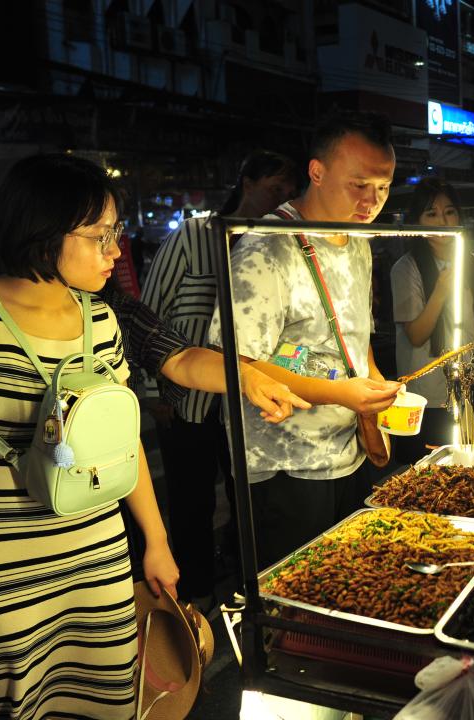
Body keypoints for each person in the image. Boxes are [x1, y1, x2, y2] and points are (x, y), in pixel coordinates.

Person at [0, 154, 180, 719]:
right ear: (43, 231)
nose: (116, 251)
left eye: (116, 233)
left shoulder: (101, 320)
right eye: (100, 236)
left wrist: (155, 541)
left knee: (106, 703)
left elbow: (124, 441)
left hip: (100, 560)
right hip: (1, 575)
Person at [208, 112, 401, 569]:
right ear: (317, 172)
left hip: (348, 452)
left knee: (349, 582)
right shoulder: (267, 245)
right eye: (359, 185)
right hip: (284, 465)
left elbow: (354, 333)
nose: (371, 201)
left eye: (383, 187)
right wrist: (341, 393)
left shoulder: (357, 240)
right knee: (291, 592)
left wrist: (374, 388)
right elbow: (232, 363)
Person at [140, 149, 298, 603]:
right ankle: (194, 595)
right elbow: (151, 310)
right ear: (247, 183)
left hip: (244, 401)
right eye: (274, 189)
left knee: (244, 494)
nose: (280, 200)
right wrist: (154, 391)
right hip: (185, 395)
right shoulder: (195, 234)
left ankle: (245, 581)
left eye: (288, 193)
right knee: (192, 499)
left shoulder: (277, 244)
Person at [390, 179, 474, 462]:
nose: (443, 221)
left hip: (467, 389)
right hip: (426, 398)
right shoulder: (406, 268)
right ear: (417, 222)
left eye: (449, 212)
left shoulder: (470, 262)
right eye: (431, 214)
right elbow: (416, 334)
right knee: (425, 472)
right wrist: (441, 290)